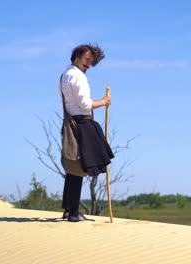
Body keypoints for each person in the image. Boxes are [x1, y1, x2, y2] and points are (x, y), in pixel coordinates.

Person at [59, 43, 114, 222]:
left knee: (73, 166)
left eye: (92, 61)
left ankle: (69, 209)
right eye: (87, 59)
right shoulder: (77, 76)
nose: (89, 63)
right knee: (78, 167)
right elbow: (85, 105)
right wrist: (104, 101)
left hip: (72, 123)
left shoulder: (65, 75)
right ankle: (73, 212)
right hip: (81, 123)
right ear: (77, 55)